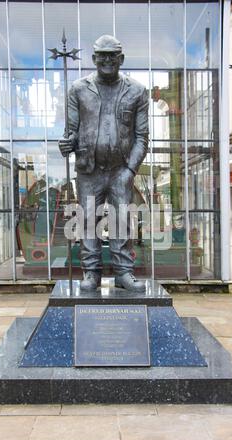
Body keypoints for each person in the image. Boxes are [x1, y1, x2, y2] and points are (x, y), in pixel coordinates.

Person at [59, 35, 149, 291]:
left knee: (122, 221)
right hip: (89, 170)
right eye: (102, 55)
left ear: (121, 59)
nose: (107, 60)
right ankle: (91, 273)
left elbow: (142, 138)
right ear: (94, 59)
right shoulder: (78, 89)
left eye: (113, 55)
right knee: (88, 221)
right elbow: (71, 132)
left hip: (122, 169)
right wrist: (67, 143)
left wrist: (130, 170)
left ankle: (123, 273)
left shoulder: (137, 91)